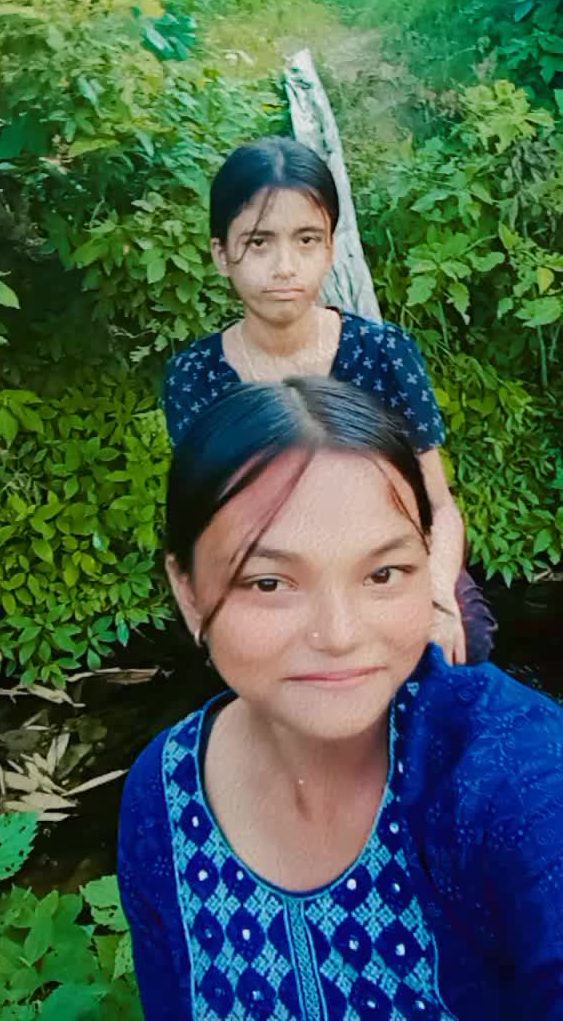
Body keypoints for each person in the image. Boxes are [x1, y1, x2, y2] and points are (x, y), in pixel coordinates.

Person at [119, 377, 563, 1021]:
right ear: (188, 593)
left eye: (383, 574)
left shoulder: (516, 775)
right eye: (269, 583)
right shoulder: (163, 793)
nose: (339, 635)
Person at [163, 136, 491, 666]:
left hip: (385, 564)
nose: (285, 267)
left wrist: (435, 599)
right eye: (259, 242)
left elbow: (439, 506)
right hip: (273, 577)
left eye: (307, 240)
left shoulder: (383, 354)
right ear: (221, 254)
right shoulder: (196, 377)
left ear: (331, 248)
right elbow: (206, 524)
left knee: (462, 644)